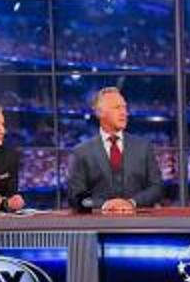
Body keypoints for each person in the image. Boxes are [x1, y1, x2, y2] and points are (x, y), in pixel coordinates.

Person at [65, 87, 166, 215]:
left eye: (124, 108)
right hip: (99, 223)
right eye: (117, 108)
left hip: (138, 222)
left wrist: (131, 203)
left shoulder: (144, 147)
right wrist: (104, 205)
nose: (124, 113)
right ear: (100, 112)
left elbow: (157, 188)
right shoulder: (82, 152)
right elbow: (75, 197)